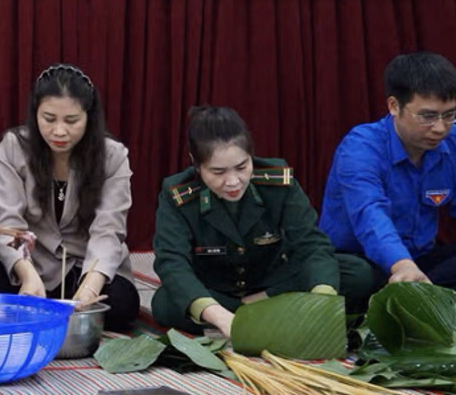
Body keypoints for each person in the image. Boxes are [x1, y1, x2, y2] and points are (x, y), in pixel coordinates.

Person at [319, 52, 456, 306]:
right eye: (427, 116)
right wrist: (401, 265)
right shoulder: (360, 147)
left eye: (450, 115)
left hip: (419, 262)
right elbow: (370, 216)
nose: (440, 128)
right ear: (394, 106)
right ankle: (425, 302)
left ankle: (413, 301)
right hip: (362, 260)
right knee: (357, 278)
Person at [154, 106, 374, 336]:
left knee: (356, 273)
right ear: (196, 164)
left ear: (252, 155)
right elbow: (172, 261)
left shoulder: (277, 182)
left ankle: (261, 313)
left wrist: (321, 302)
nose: (233, 182)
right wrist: (218, 315)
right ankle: (262, 315)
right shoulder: (178, 195)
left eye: (242, 167)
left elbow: (311, 245)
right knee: (166, 302)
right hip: (217, 292)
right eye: (218, 172)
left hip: (274, 285)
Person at [0, 64, 141, 330]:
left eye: (71, 121)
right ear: (35, 113)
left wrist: (89, 289)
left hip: (83, 264)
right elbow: (7, 225)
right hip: (30, 262)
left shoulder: (113, 157)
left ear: (89, 118)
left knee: (122, 304)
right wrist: (27, 274)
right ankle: (32, 294)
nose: (59, 131)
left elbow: (108, 231)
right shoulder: (13, 148)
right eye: (48, 119)